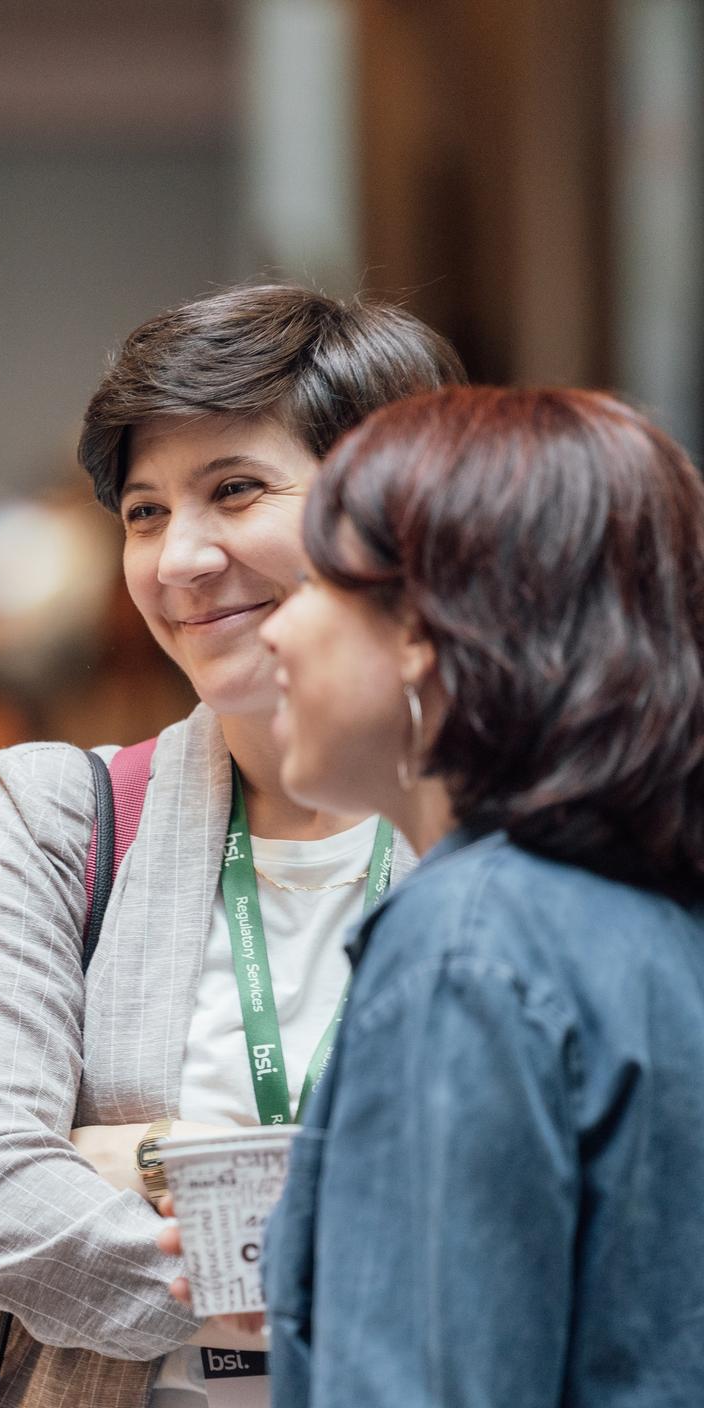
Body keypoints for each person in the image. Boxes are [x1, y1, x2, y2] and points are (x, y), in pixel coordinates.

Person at [0, 284, 464, 1408]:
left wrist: (141, 1157)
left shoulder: (501, 837)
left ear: (392, 509)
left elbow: (522, 1208)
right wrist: (343, 1247)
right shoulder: (59, 810)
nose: (178, 560)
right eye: (145, 512)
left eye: (235, 490)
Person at [231, 385, 704, 1406]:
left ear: (421, 627)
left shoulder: (463, 947)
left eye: (314, 580)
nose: (275, 632)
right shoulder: (649, 912)